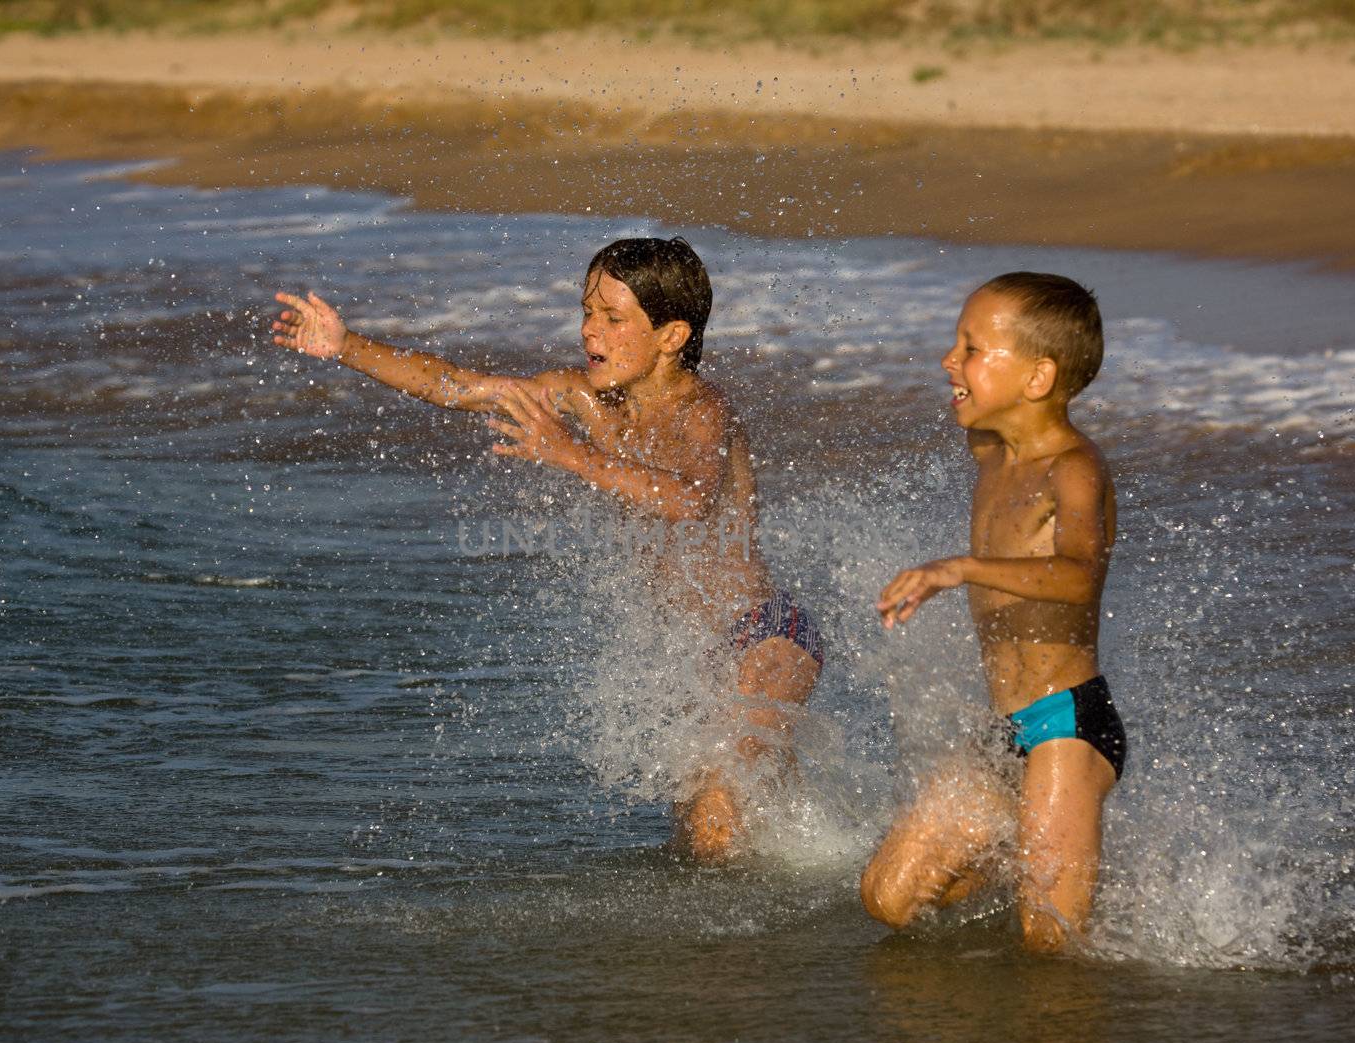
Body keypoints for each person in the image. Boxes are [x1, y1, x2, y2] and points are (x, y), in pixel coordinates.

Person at [270, 237, 824, 863]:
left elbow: (691, 498)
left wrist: (569, 454)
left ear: (671, 336)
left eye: (615, 319)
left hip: (766, 636)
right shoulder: (582, 397)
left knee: (717, 827)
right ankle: (817, 878)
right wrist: (345, 346)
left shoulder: (703, 409)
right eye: (588, 312)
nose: (592, 332)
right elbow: (461, 386)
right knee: (714, 843)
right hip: (695, 664)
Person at [861, 271, 1126, 953]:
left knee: (1050, 942)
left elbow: (1077, 575)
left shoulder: (1074, 469)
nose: (949, 360)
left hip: (1067, 721)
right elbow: (977, 408)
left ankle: (1060, 867)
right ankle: (1038, 857)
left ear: (1038, 377)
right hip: (1004, 732)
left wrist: (958, 568)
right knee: (888, 897)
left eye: (972, 348)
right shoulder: (991, 449)